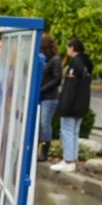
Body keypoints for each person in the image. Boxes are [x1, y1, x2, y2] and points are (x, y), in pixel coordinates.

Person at [52, 37, 92, 173]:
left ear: (72, 48)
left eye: (68, 47)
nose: (67, 50)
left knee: (67, 132)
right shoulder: (86, 64)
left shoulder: (74, 64)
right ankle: (72, 159)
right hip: (81, 105)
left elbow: (70, 88)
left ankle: (68, 160)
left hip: (72, 106)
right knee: (74, 132)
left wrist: (64, 106)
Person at [38, 34, 63, 162]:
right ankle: (38, 148)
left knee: (45, 123)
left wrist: (42, 89)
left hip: (49, 97)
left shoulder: (55, 60)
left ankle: (44, 151)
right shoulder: (44, 59)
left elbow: (57, 79)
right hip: (41, 96)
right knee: (40, 123)